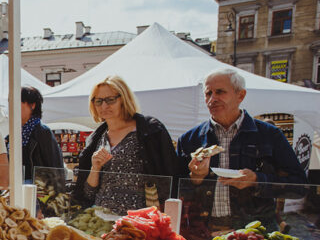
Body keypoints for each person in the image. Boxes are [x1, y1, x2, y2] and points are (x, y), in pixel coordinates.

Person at [178, 68, 306, 229]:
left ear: (241, 95)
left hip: (254, 232)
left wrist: (257, 180)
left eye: (220, 92)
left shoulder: (270, 135)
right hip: (203, 233)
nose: (212, 99)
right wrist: (195, 178)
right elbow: (174, 191)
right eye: (208, 93)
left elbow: (299, 186)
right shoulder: (190, 139)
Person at [73, 75, 180, 214]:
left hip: (139, 219)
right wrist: (95, 168)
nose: (104, 106)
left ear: (123, 99)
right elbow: (88, 193)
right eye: (98, 101)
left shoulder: (150, 130)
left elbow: (170, 174)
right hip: (101, 220)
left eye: (110, 100)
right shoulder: (96, 139)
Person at [5, 86, 64, 182]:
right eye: (9, 103)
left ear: (32, 105)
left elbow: (55, 168)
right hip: (16, 189)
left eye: (16, 102)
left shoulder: (43, 132)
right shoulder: (13, 134)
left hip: (38, 192)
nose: (11, 107)